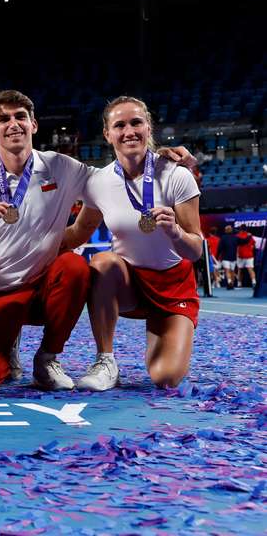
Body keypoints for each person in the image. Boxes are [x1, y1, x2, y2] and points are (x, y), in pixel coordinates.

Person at [0, 90, 194, 392]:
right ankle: (9, 340)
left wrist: (164, 158)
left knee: (75, 267)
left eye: (20, 116)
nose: (14, 124)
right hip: (0, 289)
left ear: (33, 124)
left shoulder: (62, 166)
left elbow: (126, 174)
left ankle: (47, 358)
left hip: (55, 286)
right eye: (4, 119)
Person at [63, 96, 202, 391]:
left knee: (164, 377)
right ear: (107, 134)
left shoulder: (177, 175)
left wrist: (175, 231)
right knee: (102, 262)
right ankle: (106, 361)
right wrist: (25, 239)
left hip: (173, 286)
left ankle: (161, 329)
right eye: (120, 125)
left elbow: (196, 249)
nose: (129, 131)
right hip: (129, 285)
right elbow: (78, 233)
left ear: (149, 127)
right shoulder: (98, 182)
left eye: (136, 122)